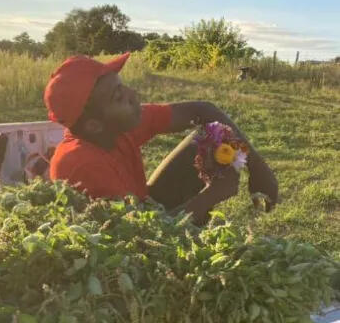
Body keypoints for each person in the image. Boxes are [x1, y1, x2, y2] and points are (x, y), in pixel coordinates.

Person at [43, 52, 278, 225]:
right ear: (94, 125)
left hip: (140, 209)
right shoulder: (83, 165)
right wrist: (211, 195)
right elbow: (139, 241)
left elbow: (202, 111)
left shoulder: (113, 127)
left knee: (210, 136)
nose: (132, 96)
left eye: (122, 87)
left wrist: (258, 168)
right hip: (122, 251)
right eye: (118, 97)